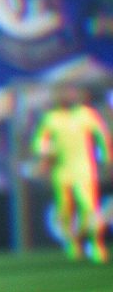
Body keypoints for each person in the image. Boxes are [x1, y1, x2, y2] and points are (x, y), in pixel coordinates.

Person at [32, 84, 112, 263]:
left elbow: (101, 136)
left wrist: (106, 158)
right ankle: (73, 244)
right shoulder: (51, 118)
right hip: (61, 170)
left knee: (89, 207)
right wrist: (44, 158)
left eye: (72, 93)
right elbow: (41, 142)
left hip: (84, 169)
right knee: (65, 209)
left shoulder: (86, 115)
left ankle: (95, 244)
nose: (70, 97)